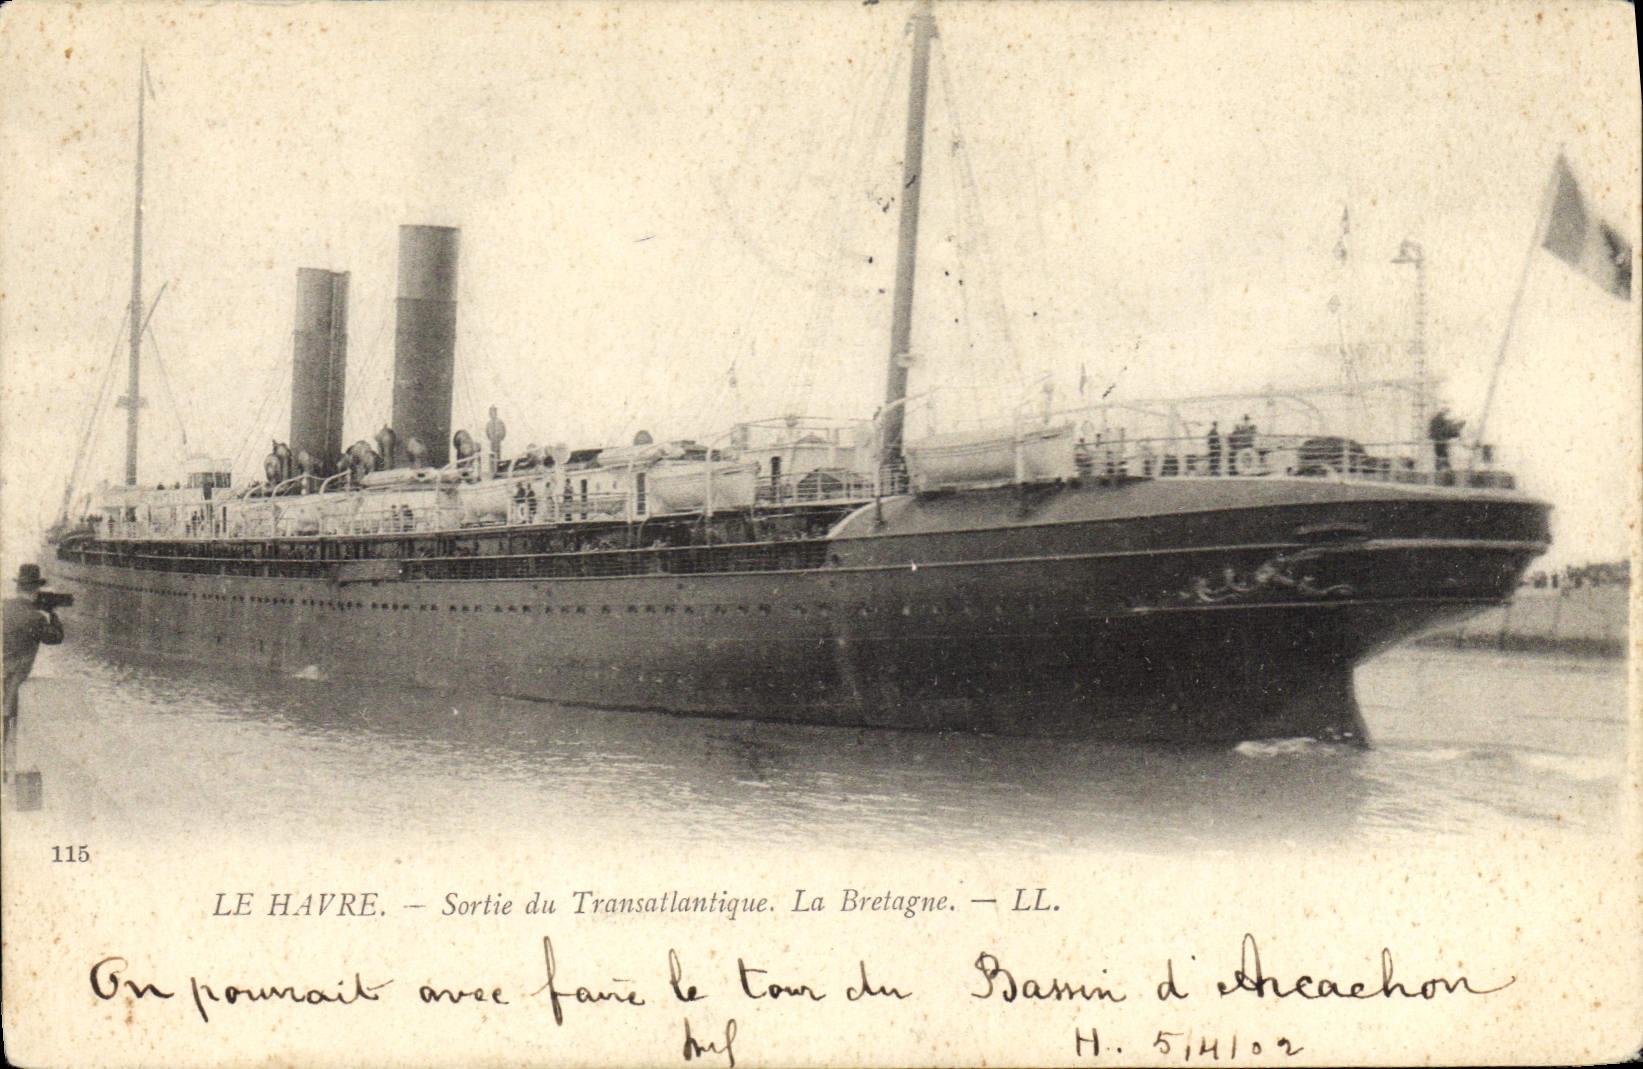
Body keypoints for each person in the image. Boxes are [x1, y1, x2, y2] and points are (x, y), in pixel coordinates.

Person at [4, 564, 65, 778]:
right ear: (35, 591)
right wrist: (52, 614)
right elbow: (55, 638)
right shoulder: (34, 618)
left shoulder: (3, 607)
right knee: (8, 734)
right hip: (13, 681)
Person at [1428, 408, 1465, 473]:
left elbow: (1445, 430)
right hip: (1440, 441)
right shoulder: (1440, 420)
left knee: (1441, 455)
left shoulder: (1438, 420)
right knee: (1442, 455)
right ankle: (1444, 468)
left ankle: (1443, 468)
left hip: (1440, 441)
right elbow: (1446, 430)